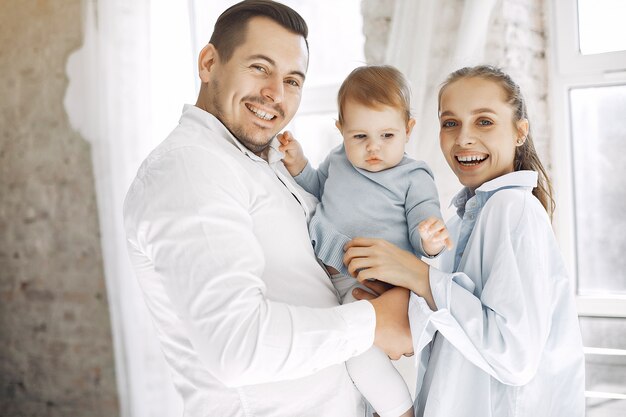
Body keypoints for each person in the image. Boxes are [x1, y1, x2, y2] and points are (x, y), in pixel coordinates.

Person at [122, 2, 412, 417]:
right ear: (208, 63)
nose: (276, 94)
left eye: (293, 80)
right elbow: (238, 346)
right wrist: (374, 321)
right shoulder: (190, 167)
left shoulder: (264, 161)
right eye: (260, 67)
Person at [345, 65, 586, 417]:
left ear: (520, 132)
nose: (463, 139)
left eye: (484, 121)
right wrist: (402, 300)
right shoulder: (459, 221)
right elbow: (463, 330)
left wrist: (417, 275)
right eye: (450, 123)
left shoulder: (513, 208)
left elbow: (514, 355)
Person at [278, 65, 452, 417]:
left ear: (408, 129)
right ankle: (379, 408)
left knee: (358, 357)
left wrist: (430, 240)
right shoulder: (339, 161)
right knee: (346, 359)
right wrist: (298, 164)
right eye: (359, 137)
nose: (373, 148)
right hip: (338, 279)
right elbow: (315, 189)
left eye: (387, 136)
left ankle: (402, 412)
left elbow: (423, 228)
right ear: (341, 129)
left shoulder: (413, 176)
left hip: (382, 284)